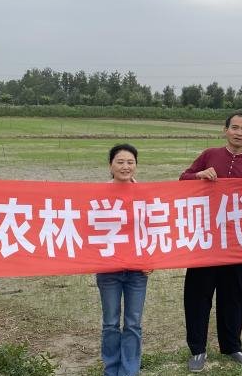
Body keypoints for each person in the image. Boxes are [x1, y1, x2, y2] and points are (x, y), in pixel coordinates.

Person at [179, 113, 242, 372]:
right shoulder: (209, 155)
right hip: (205, 239)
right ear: (225, 130)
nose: (239, 132)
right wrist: (199, 175)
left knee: (233, 296)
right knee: (198, 295)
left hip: (236, 242)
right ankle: (198, 349)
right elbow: (182, 179)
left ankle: (232, 346)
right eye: (234, 127)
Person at [97, 143, 151, 376]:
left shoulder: (144, 195)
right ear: (110, 165)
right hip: (108, 269)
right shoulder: (98, 195)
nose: (125, 166)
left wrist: (150, 260)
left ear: (136, 166)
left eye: (130, 162)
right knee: (110, 323)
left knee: (133, 323)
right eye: (120, 162)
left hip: (137, 271)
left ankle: (129, 371)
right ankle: (111, 369)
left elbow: (152, 230)